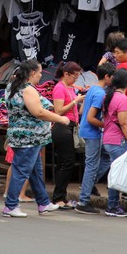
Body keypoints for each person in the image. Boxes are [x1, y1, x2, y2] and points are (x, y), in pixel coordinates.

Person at [3, 59, 69, 218]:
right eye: (39, 72)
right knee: (21, 170)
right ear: (32, 73)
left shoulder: (12, 86)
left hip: (23, 136)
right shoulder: (27, 89)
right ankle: (10, 205)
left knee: (35, 171)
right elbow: (38, 111)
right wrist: (60, 119)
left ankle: (43, 202)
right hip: (29, 138)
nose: (41, 75)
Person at [75, 62, 116, 215]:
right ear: (107, 77)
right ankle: (83, 201)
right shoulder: (100, 93)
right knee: (92, 165)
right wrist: (106, 125)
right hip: (93, 132)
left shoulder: (92, 88)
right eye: (113, 77)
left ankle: (89, 184)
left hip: (87, 130)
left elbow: (81, 111)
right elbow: (92, 118)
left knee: (105, 157)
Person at [101, 68, 127, 217]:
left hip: (110, 138)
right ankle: (113, 205)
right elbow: (123, 123)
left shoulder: (110, 96)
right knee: (118, 173)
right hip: (118, 140)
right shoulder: (121, 98)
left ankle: (118, 201)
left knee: (116, 171)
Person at [51, 61, 85, 209]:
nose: (75, 80)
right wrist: (75, 101)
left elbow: (77, 111)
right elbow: (58, 111)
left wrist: (82, 98)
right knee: (67, 163)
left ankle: (61, 196)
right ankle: (58, 197)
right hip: (62, 127)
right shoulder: (59, 88)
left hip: (70, 127)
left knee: (65, 163)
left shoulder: (70, 88)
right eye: (74, 76)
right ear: (66, 74)